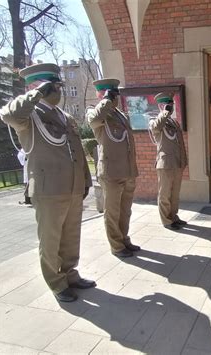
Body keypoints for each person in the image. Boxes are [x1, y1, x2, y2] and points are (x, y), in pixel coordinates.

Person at [0, 63, 95, 303]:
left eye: (58, 86)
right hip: (48, 189)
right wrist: (37, 93)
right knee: (51, 239)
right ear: (38, 86)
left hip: (72, 187)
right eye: (53, 87)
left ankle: (70, 274)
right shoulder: (27, 115)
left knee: (71, 236)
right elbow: (7, 114)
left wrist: (85, 180)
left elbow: (78, 151)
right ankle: (56, 283)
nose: (58, 91)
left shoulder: (65, 116)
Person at [86, 78, 140, 258]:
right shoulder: (95, 113)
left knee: (125, 210)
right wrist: (106, 101)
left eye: (115, 94)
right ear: (102, 95)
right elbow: (94, 120)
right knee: (113, 212)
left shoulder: (120, 115)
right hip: (111, 172)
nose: (115, 98)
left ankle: (124, 238)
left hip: (127, 170)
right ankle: (116, 246)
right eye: (112, 94)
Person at [148, 92, 187, 231]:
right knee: (165, 194)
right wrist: (164, 112)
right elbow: (157, 127)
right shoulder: (155, 121)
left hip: (177, 163)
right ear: (161, 106)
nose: (170, 108)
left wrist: (184, 161)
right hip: (165, 164)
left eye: (171, 105)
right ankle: (166, 221)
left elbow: (180, 143)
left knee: (175, 194)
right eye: (167, 105)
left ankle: (173, 216)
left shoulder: (174, 122)